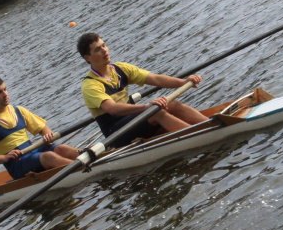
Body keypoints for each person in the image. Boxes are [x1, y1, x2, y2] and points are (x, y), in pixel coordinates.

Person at [77, 32, 207, 147]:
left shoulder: (120, 69)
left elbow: (156, 79)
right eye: (98, 49)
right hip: (116, 134)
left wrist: (183, 82)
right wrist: (146, 107)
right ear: (87, 58)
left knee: (170, 103)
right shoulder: (90, 85)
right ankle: (201, 137)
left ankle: (209, 124)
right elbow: (113, 108)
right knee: (156, 112)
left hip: (133, 121)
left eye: (104, 45)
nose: (104, 51)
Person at [0, 76, 80, 179]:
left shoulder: (18, 110)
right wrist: (5, 157)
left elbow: (43, 129)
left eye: (5, 89)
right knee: (48, 156)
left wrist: (47, 135)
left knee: (61, 148)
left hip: (33, 152)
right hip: (16, 164)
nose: (5, 94)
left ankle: (87, 158)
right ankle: (83, 168)